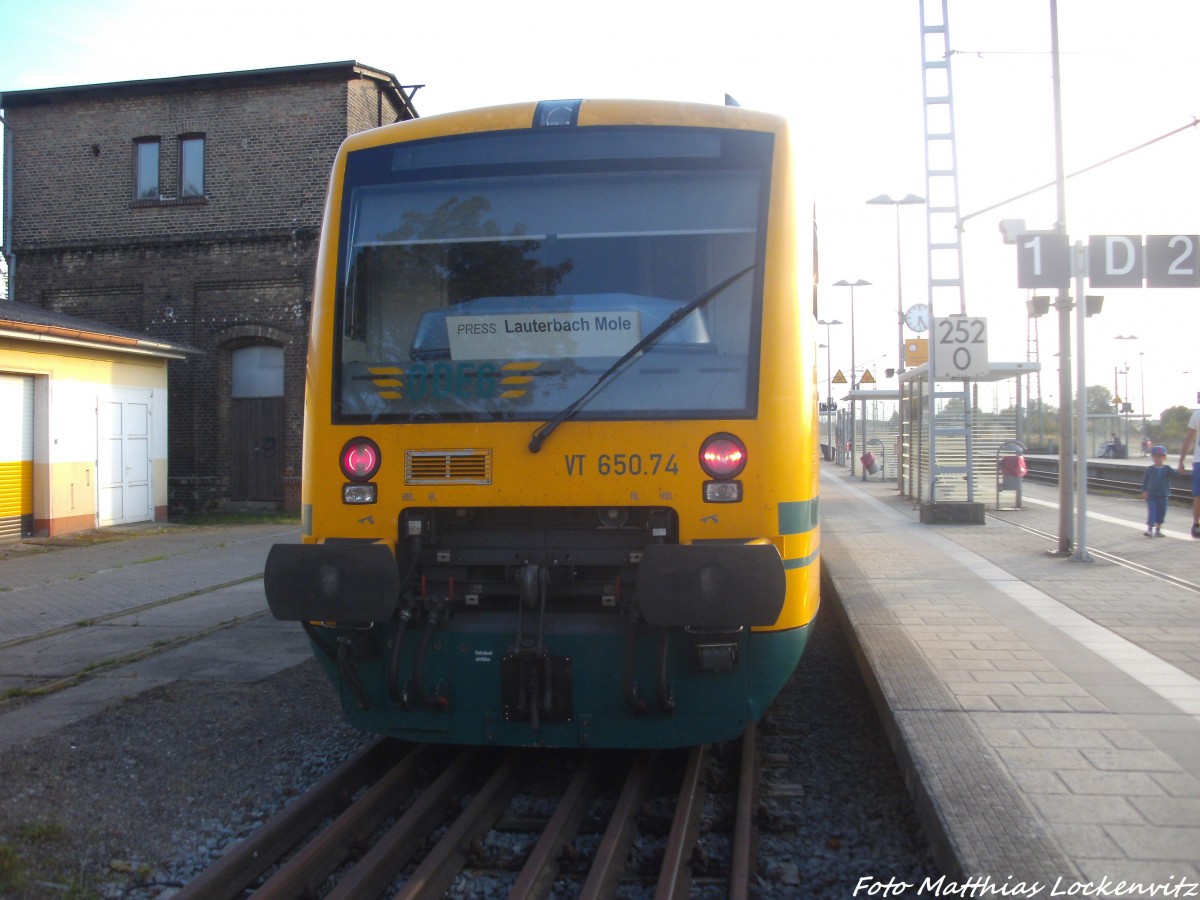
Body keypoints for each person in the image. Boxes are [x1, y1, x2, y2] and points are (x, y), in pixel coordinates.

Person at [1142, 446, 1172, 537]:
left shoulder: (1167, 468)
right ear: (1152, 457)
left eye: (1160, 457)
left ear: (1164, 458)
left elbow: (1176, 475)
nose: (1157, 459)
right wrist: (1144, 491)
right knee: (1152, 512)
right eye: (1155, 457)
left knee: (1161, 513)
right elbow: (1145, 481)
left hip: (1163, 495)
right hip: (1152, 495)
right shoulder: (1149, 469)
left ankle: (1158, 530)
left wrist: (1181, 469)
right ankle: (1150, 529)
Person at [1180, 408, 1200, 538]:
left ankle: (1196, 525)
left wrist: (1182, 460)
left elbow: (1189, 438)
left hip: (1199, 461)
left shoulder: (1197, 414)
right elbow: (1189, 439)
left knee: (1198, 494)